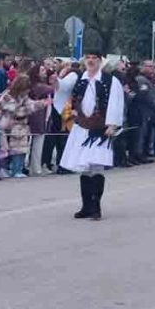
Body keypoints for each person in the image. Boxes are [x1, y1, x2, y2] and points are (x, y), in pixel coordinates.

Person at [56, 50, 124, 220]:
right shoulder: (79, 78)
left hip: (100, 129)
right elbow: (63, 88)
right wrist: (56, 79)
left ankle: (96, 207)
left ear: (100, 61)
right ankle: (86, 206)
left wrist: (112, 124)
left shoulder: (110, 80)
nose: (91, 61)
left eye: (94, 58)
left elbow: (116, 102)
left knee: (96, 166)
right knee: (84, 168)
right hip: (82, 127)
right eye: (88, 58)